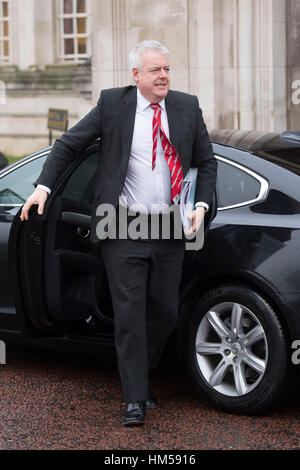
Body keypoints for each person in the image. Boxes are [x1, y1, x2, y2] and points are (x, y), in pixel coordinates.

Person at [20, 40, 217, 426]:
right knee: (129, 314)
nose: (164, 76)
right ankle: (135, 400)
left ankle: (140, 375)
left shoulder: (186, 106)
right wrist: (43, 188)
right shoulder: (113, 105)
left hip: (169, 225)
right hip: (123, 223)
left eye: (167, 69)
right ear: (136, 75)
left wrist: (201, 206)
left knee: (164, 311)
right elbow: (67, 144)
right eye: (155, 70)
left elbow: (207, 163)